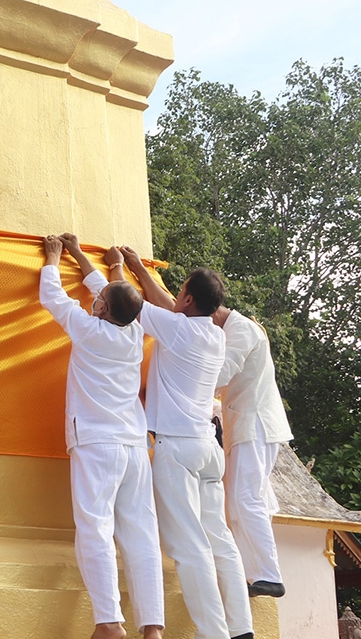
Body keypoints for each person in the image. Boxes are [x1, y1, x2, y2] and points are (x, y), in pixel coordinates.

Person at [121, 248, 254, 639]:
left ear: (189, 298)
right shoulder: (214, 335)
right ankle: (241, 626)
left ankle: (214, 633)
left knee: (188, 546)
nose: (175, 298)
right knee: (218, 538)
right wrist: (141, 271)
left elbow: (132, 303)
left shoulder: (177, 330)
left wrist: (127, 269)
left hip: (177, 448)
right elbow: (168, 311)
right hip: (208, 450)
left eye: (180, 292)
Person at [39, 234, 163, 639]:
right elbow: (109, 293)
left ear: (103, 308)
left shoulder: (88, 330)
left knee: (95, 527)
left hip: (96, 443)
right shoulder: (133, 332)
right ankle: (153, 627)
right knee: (141, 534)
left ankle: (109, 621)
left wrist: (54, 258)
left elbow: (52, 297)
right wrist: (85, 256)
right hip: (133, 445)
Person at [212, 306, 293, 598]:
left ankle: (269, 574)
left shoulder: (241, 329)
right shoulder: (233, 328)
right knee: (239, 502)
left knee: (247, 498)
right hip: (244, 426)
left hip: (254, 425)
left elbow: (219, 375)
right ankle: (256, 574)